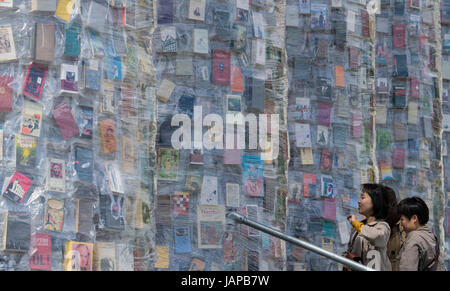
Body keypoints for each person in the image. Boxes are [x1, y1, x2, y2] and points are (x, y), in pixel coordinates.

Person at [343, 183, 393, 271]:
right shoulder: (357, 228)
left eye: (362, 197)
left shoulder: (383, 226)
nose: (358, 201)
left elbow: (378, 237)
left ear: (375, 201)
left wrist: (357, 224)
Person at [397, 197, 446, 271]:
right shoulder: (431, 236)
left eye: (402, 219)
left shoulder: (414, 238)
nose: (401, 224)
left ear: (414, 218)